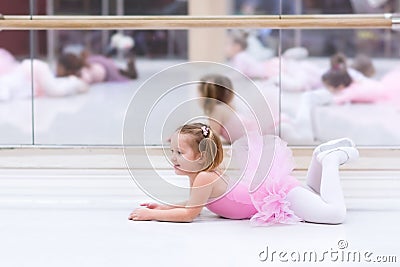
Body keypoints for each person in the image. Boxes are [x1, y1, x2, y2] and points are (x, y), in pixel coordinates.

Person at [128, 123, 359, 226]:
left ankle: (330, 160)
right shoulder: (201, 177)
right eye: (172, 151)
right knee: (311, 194)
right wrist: (162, 207)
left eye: (180, 152)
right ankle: (319, 157)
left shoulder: (204, 177)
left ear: (200, 156)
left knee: (334, 214)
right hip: (277, 192)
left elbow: (190, 214)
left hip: (281, 194)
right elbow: (192, 204)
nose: (173, 157)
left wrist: (151, 216)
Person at [226, 30, 323, 91]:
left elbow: (237, 74)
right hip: (270, 68)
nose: (224, 48)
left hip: (269, 70)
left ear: (237, 46)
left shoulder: (240, 57)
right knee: (301, 71)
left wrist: (222, 79)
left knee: (297, 80)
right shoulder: (242, 56)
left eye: (227, 45)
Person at [0, 48, 88, 101]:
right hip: (29, 70)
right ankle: (77, 83)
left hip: (32, 69)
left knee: (56, 91)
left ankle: (78, 83)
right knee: (55, 89)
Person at [197, 74, 259, 144]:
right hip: (255, 136)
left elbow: (211, 140)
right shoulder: (227, 108)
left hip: (253, 141)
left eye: (198, 93)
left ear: (204, 95)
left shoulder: (217, 110)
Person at [56, 44, 138, 85]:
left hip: (105, 68)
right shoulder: (64, 74)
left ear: (69, 69)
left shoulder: (83, 73)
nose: (56, 69)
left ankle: (131, 67)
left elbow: (84, 81)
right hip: (98, 64)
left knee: (126, 74)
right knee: (120, 71)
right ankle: (129, 66)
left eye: (59, 67)